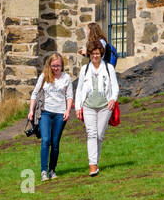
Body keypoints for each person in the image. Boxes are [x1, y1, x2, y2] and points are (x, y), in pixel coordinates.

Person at [74, 42, 118, 178]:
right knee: (91, 134)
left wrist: (113, 99)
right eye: (92, 54)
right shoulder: (85, 69)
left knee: (99, 135)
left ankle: (96, 162)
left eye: (97, 54)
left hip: (105, 106)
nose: (95, 56)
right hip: (88, 106)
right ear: (89, 55)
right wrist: (77, 107)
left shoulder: (109, 68)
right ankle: (92, 166)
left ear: (101, 54)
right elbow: (79, 89)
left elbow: (115, 87)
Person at [28, 53, 73, 182]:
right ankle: (43, 171)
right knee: (46, 140)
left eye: (58, 65)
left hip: (60, 113)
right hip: (46, 112)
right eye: (53, 66)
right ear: (49, 65)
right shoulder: (44, 77)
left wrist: (68, 110)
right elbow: (34, 94)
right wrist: (31, 110)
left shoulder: (66, 78)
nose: (56, 68)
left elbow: (69, 96)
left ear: (62, 65)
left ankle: (52, 170)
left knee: (55, 143)